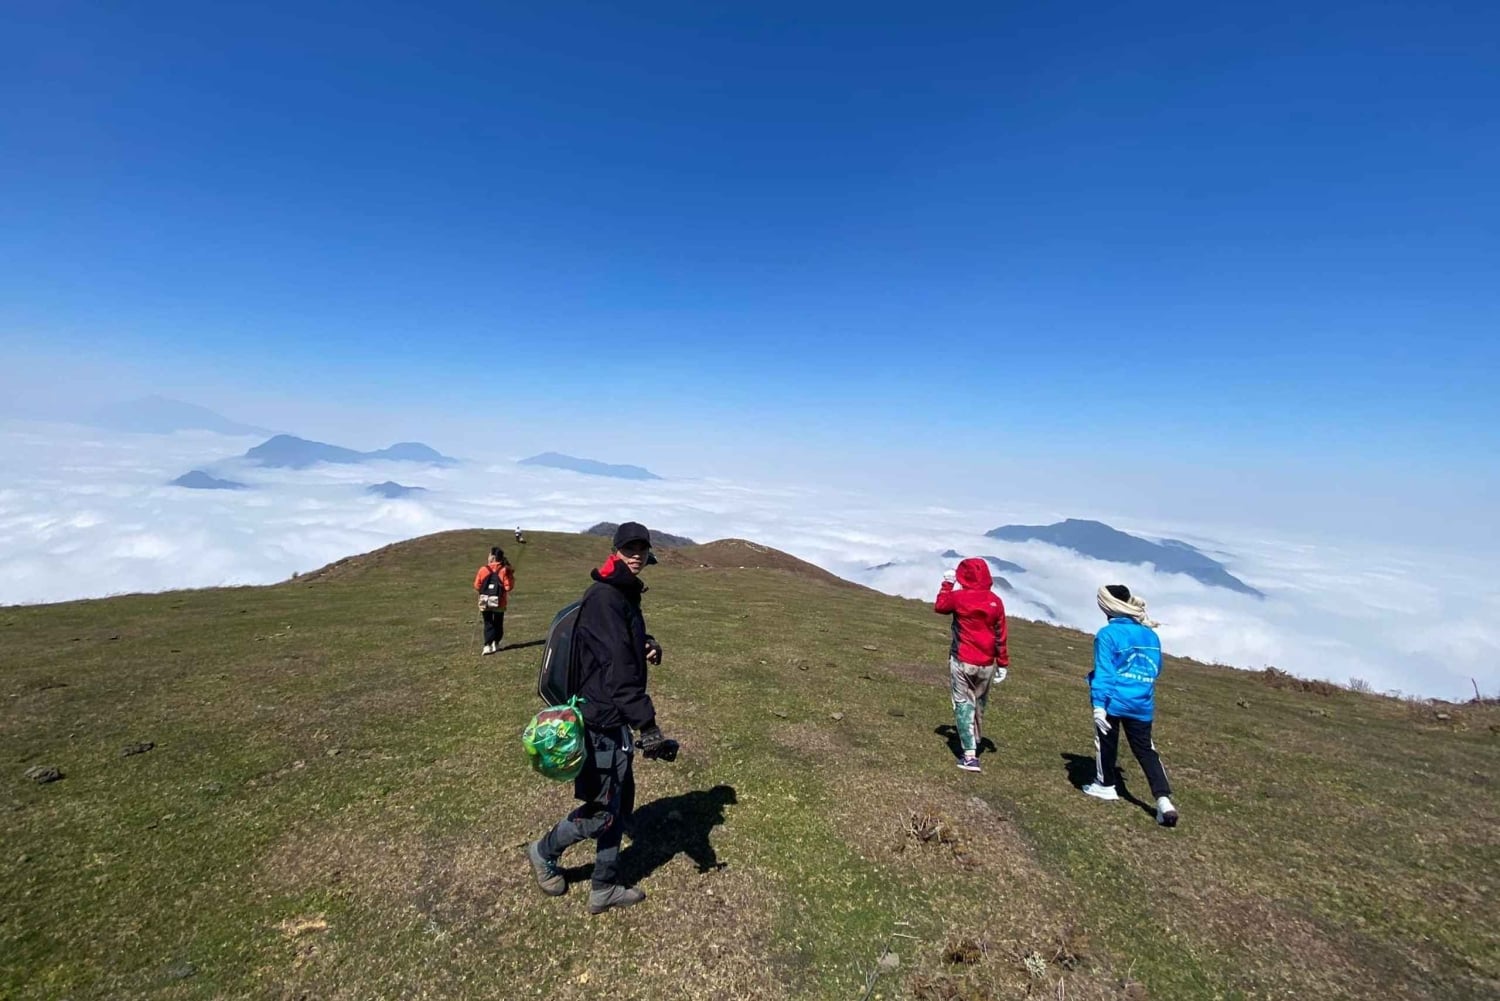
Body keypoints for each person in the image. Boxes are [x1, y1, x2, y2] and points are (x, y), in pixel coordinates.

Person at [528, 521, 678, 914]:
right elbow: (618, 671)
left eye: (642, 549)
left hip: (613, 717)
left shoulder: (623, 592)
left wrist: (647, 643)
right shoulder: (605, 597)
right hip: (599, 720)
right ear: (615, 551)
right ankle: (543, 852)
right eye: (630, 549)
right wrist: (647, 725)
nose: (637, 555)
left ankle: (604, 886)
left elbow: (621, 645)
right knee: (599, 812)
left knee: (619, 803)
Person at [1081, 584, 1179, 827]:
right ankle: (1163, 800)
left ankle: (1105, 785)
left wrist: (1098, 705)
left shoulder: (1107, 634)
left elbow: (1105, 672)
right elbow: (1156, 668)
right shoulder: (1150, 635)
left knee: (1106, 742)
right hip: (1142, 702)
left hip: (1113, 700)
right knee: (1146, 750)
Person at [934, 557, 1009, 772]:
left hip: (962, 659)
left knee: (963, 704)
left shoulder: (959, 598)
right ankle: (975, 740)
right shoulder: (996, 601)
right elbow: (1000, 634)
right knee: (978, 705)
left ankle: (969, 755)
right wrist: (1002, 663)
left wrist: (947, 584)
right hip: (987, 663)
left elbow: (940, 606)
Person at [472, 546, 515, 655]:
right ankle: (496, 643)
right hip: (500, 602)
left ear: (493, 557)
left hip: (485, 601)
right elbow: (508, 587)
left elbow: (477, 586)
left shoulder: (483, 569)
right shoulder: (505, 570)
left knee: (488, 622)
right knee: (498, 622)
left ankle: (487, 645)